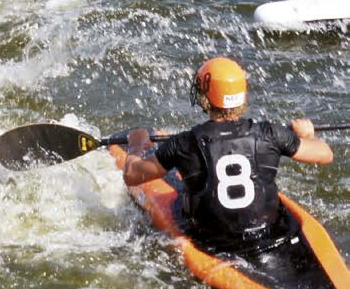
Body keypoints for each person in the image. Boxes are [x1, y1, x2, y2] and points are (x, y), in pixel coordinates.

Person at [123, 57, 333, 254]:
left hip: (215, 242)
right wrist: (307, 135)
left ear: (205, 97)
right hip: (270, 234)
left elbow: (132, 175)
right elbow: (325, 155)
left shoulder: (184, 143)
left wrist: (136, 145)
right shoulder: (271, 134)